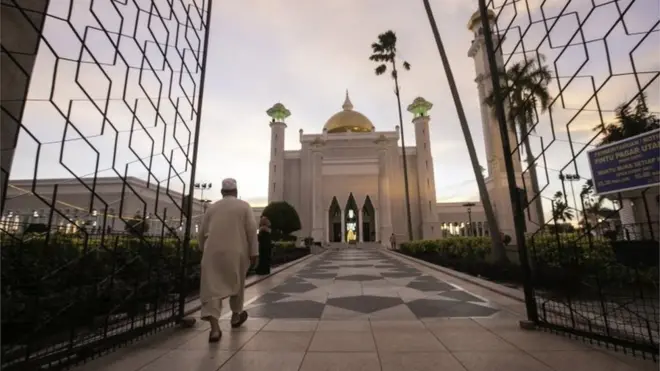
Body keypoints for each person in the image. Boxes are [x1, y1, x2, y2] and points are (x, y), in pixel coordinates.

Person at [199, 178, 258, 342]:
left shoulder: (212, 208)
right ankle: (235, 316)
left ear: (221, 192)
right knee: (237, 284)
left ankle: (215, 329)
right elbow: (252, 230)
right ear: (236, 192)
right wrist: (254, 252)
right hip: (236, 251)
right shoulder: (244, 206)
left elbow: (202, 232)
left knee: (211, 288)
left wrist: (203, 250)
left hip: (213, 251)